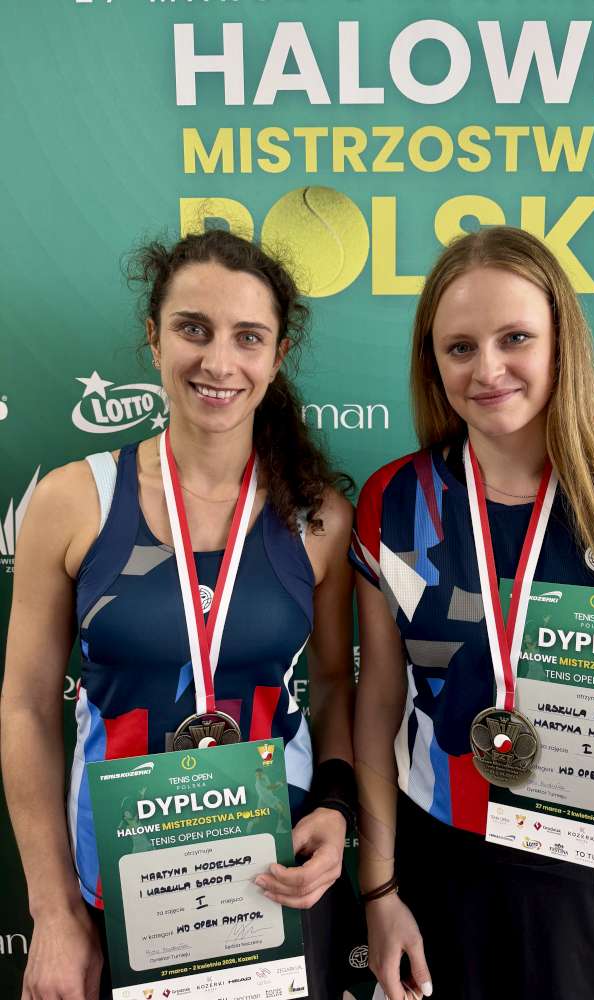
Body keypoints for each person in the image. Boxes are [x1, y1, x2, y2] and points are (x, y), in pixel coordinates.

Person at [351, 226, 594, 1000]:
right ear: (432, 363)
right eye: (460, 347)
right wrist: (380, 889)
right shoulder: (393, 501)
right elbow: (379, 698)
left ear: (562, 341)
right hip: (451, 859)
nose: (488, 368)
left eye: (516, 338)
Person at [2, 229, 357, 1000]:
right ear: (153, 336)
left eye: (247, 337)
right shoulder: (74, 501)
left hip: (279, 872)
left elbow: (335, 686)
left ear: (278, 355)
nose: (219, 363)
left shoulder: (318, 519)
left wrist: (336, 808)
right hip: (123, 881)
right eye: (194, 328)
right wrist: (53, 911)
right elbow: (26, 707)